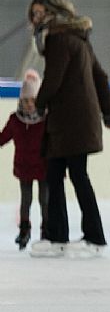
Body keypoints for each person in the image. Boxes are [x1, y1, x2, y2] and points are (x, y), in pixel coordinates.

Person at [25, 0, 110, 257]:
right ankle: (60, 237)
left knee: (71, 176)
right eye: (34, 14)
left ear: (54, 12)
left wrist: (39, 104)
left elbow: (54, 78)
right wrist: (107, 113)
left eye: (40, 13)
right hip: (75, 119)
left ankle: (89, 238)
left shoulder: (58, 38)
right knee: (59, 175)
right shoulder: (76, 38)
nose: (36, 19)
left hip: (70, 120)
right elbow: (100, 76)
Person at [0, 69, 48, 250]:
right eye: (26, 100)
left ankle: (46, 231)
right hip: (24, 167)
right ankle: (24, 231)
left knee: (45, 200)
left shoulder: (46, 120)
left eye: (33, 101)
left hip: (44, 167)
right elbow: (3, 138)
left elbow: (57, 139)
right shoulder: (15, 120)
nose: (29, 104)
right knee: (26, 201)